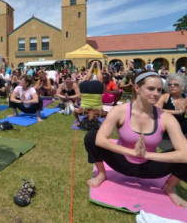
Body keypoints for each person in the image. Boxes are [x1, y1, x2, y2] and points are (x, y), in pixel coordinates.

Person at [84, 70, 187, 208]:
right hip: (121, 163)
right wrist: (133, 152)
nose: (156, 93)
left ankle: (169, 187)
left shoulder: (166, 118)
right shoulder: (120, 111)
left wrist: (146, 154)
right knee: (91, 136)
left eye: (159, 90)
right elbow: (100, 140)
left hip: (150, 168)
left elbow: (184, 154)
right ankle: (102, 174)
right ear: (137, 88)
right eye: (150, 88)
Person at [73, 61, 107, 126]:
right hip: (85, 93)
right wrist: (78, 122)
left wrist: (78, 122)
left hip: (96, 94)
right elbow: (74, 111)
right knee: (86, 79)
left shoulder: (100, 114)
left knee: (100, 80)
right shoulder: (82, 112)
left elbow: (108, 114)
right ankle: (92, 65)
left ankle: (97, 65)